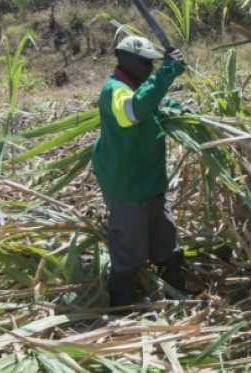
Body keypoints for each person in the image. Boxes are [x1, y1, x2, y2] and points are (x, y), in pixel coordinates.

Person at [91, 35, 190, 309]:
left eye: (152, 64)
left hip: (152, 181)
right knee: (129, 250)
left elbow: (154, 103)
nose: (149, 68)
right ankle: (122, 310)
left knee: (165, 241)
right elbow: (134, 111)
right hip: (127, 186)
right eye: (145, 63)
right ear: (123, 58)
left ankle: (177, 297)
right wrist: (167, 72)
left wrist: (179, 108)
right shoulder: (115, 90)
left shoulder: (138, 86)